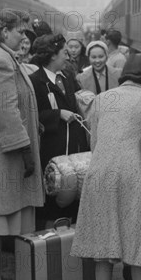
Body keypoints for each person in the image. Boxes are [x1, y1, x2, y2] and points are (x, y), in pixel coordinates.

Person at [71, 54, 141, 280]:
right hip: (132, 171)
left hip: (99, 171)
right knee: (139, 243)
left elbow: (94, 140)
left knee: (103, 244)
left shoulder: (102, 98)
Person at [0, 9, 44, 280]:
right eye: (21, 31)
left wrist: (34, 123)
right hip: (1, 154)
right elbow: (6, 111)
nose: (25, 37)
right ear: (4, 31)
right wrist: (24, 149)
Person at [29, 34, 89, 224]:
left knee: (74, 189)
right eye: (64, 52)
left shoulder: (68, 76)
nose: (68, 56)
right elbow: (31, 114)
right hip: (51, 148)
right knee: (55, 188)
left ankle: (70, 236)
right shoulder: (34, 81)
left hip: (73, 146)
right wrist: (56, 114)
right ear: (53, 55)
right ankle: (50, 237)